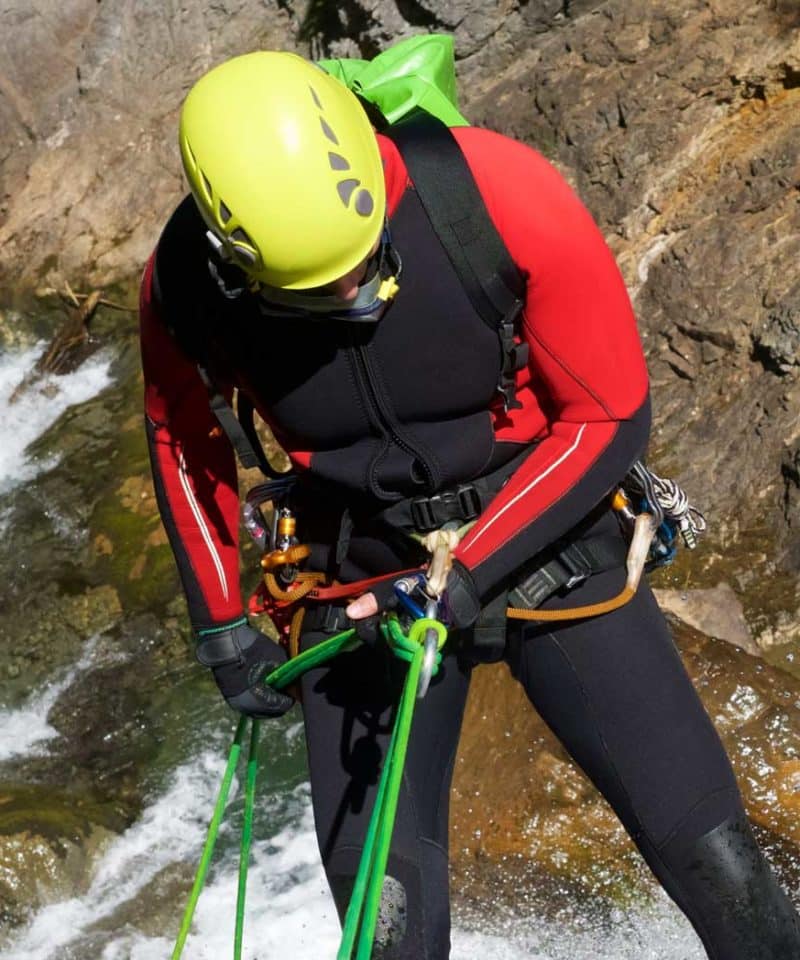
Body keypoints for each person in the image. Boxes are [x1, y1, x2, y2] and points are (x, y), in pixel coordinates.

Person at [139, 48, 800, 959]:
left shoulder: (492, 192)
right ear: (233, 255)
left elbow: (607, 413)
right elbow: (183, 442)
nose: (355, 299)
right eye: (317, 293)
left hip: (544, 533)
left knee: (720, 866)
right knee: (388, 931)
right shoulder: (185, 285)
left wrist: (469, 571)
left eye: (365, 268)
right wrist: (219, 626)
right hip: (357, 566)